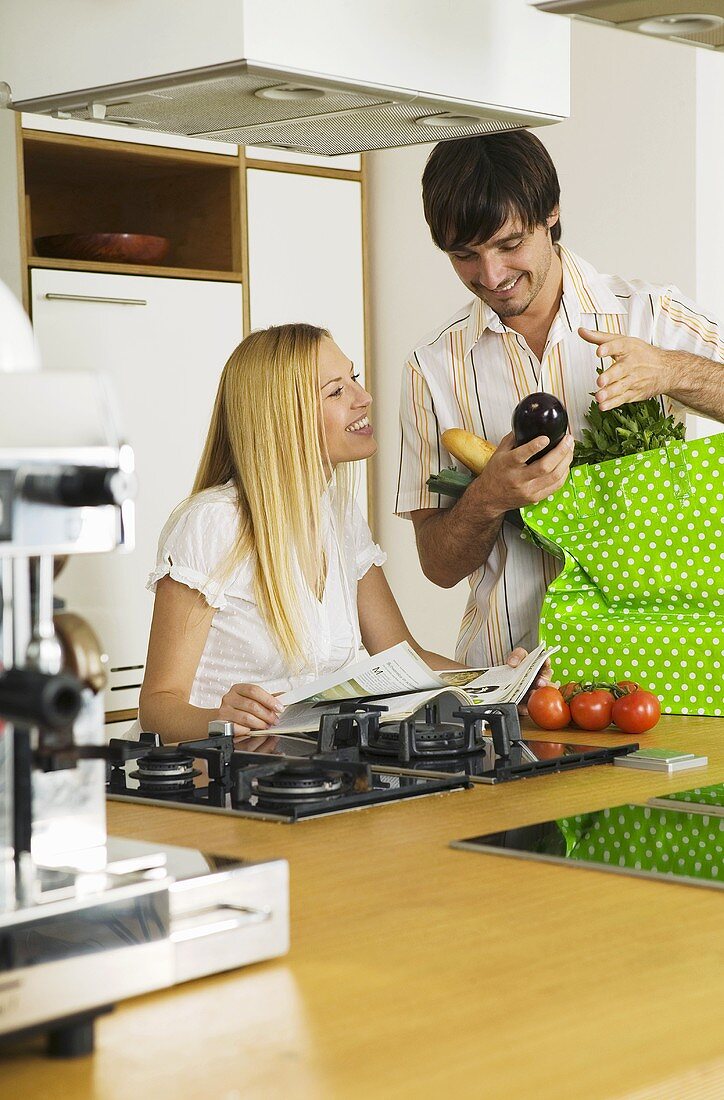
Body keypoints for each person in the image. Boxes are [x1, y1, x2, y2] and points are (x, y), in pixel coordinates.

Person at [396, 130, 724, 669]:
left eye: (509, 244)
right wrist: (489, 497)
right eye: (465, 255)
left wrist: (669, 370)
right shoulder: (431, 369)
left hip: (655, 668)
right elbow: (438, 565)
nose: (492, 276)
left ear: (551, 213)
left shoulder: (649, 314)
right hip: (506, 685)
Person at [139, 324, 542, 747]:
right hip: (218, 782)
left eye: (354, 379)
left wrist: (504, 684)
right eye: (336, 391)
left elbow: (405, 658)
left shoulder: (340, 516)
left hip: (310, 778)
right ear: (283, 416)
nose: (363, 397)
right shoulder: (212, 524)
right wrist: (217, 718)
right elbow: (158, 706)